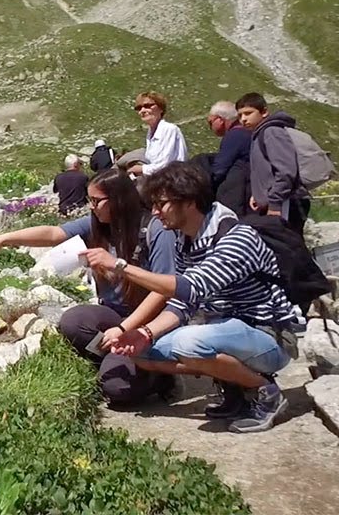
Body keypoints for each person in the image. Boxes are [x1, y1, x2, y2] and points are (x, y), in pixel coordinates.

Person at [83, 162, 305, 433]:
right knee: (139, 351)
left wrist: (120, 266)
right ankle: (235, 387)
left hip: (268, 335)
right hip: (225, 330)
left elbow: (190, 287)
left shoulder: (235, 238)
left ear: (188, 201)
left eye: (161, 204)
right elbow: (182, 304)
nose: (155, 212)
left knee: (189, 343)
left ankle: (265, 391)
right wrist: (144, 333)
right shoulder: (185, 239)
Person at [0, 169, 177, 404]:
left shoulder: (155, 231)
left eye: (97, 201)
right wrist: (5, 238)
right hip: (116, 314)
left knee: (117, 388)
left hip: (149, 323)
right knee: (74, 322)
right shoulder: (98, 224)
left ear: (118, 199)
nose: (91, 207)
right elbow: (53, 233)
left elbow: (163, 291)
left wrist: (123, 330)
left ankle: (159, 374)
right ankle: (119, 359)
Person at [236, 93, 311, 234]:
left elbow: (286, 171)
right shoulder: (259, 134)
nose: (243, 119)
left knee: (288, 249)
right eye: (240, 116)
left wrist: (275, 203)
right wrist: (258, 195)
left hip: (286, 202)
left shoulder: (272, 132)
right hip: (276, 203)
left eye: (248, 113)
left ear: (264, 112)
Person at [126, 91, 188, 178]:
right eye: (139, 108)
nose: (142, 111)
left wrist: (142, 169)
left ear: (160, 108)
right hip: (158, 180)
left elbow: (164, 165)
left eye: (147, 106)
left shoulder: (168, 129)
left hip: (173, 181)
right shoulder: (150, 132)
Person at [207, 101, 251, 215]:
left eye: (210, 122)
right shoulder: (247, 132)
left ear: (220, 120)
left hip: (241, 194)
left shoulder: (235, 135)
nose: (210, 127)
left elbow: (219, 169)